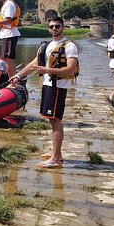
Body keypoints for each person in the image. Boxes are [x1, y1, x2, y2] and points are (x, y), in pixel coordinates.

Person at [13, 17, 78, 169]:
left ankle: (55, 159)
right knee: (51, 119)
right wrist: (18, 76)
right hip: (48, 84)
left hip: (58, 86)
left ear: (63, 27)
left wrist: (47, 70)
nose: (54, 29)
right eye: (51, 26)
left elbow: (71, 69)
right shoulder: (47, 45)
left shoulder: (69, 46)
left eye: (57, 26)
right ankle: (57, 154)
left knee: (55, 119)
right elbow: (33, 64)